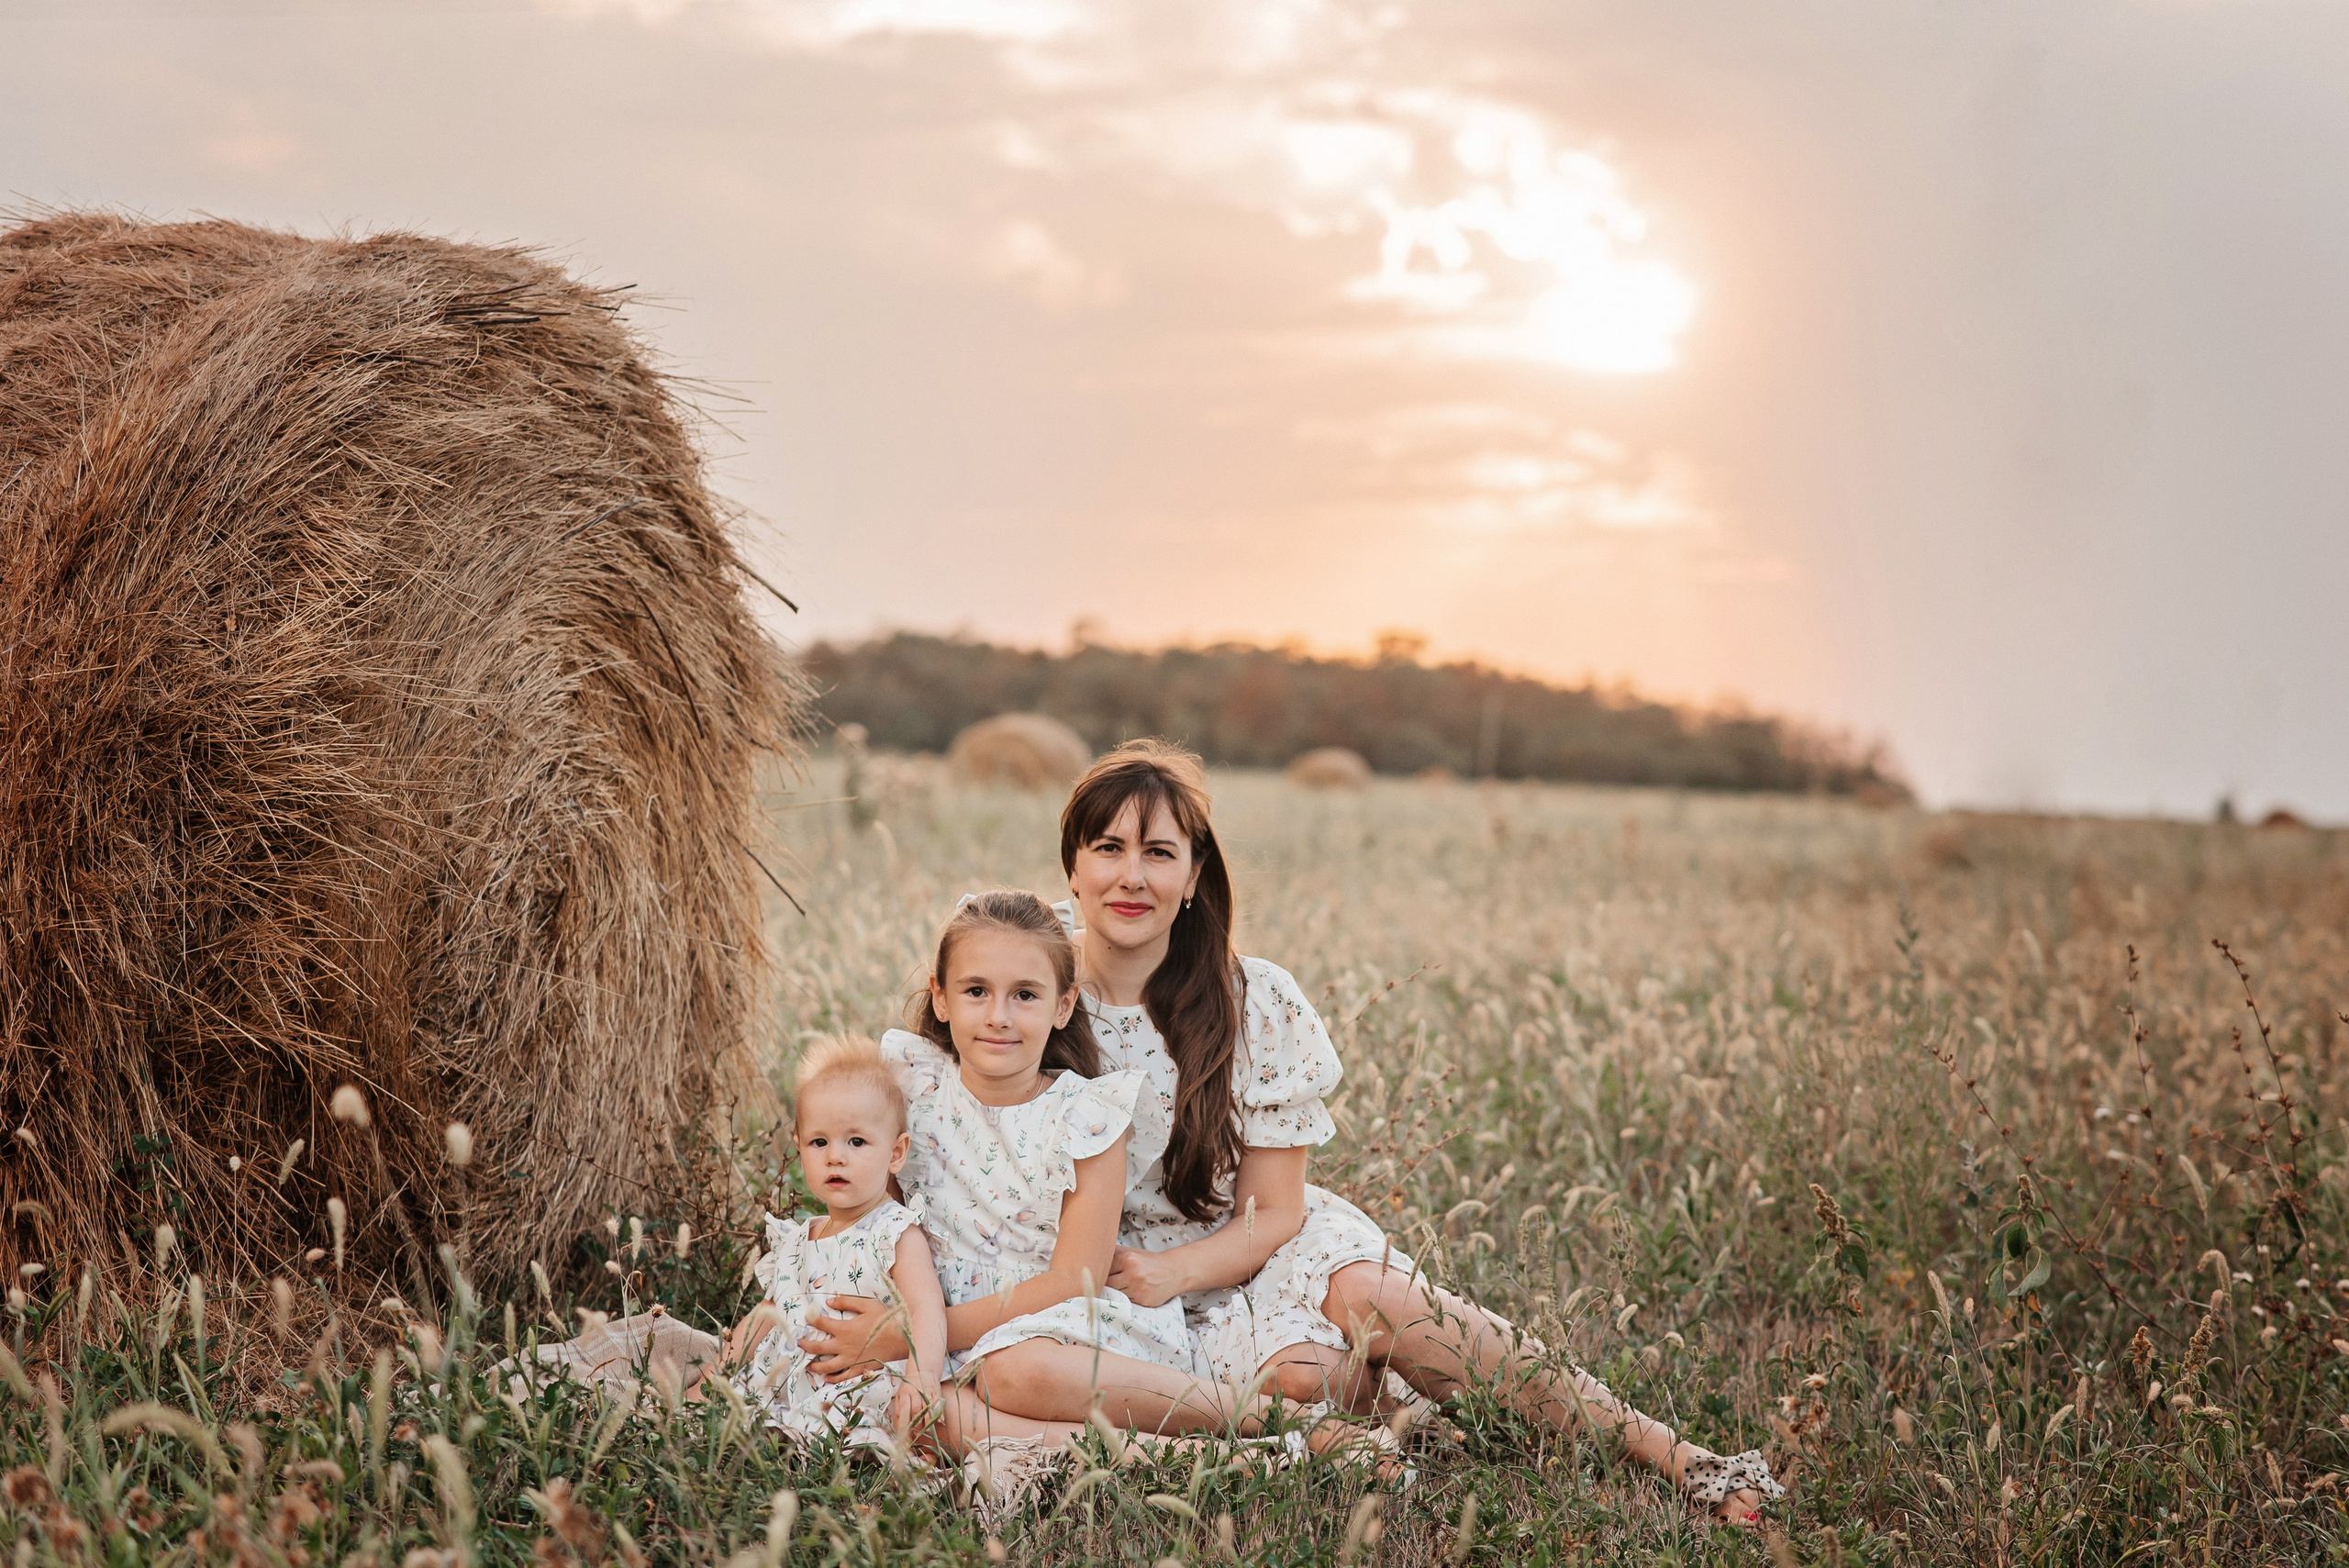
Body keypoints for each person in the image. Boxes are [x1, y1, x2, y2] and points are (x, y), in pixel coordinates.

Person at [1059, 740, 1781, 1527]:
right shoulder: (1026, 989)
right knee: (1305, 1379)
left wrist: (1173, 1270)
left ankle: (1672, 1454)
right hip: (1115, 1287)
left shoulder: (1254, 999)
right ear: (1073, 866)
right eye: (1109, 848)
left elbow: (1274, 1213)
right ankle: (1411, 1401)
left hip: (1250, 1243)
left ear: (1195, 875)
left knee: (1380, 1297)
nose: (1132, 876)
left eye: (1159, 853)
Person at [719, 1034, 943, 1452]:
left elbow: (926, 1309)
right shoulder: (797, 1240)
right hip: (790, 1385)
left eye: (856, 1142)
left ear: (896, 1153)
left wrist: (921, 1375)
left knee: (847, 1425)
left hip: (856, 1389)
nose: (835, 1156)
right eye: (819, 1142)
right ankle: (774, 1428)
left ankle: (827, 1444)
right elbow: (766, 1316)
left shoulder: (894, 1232)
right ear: (799, 1146)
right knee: (730, 1411)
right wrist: (716, 1372)